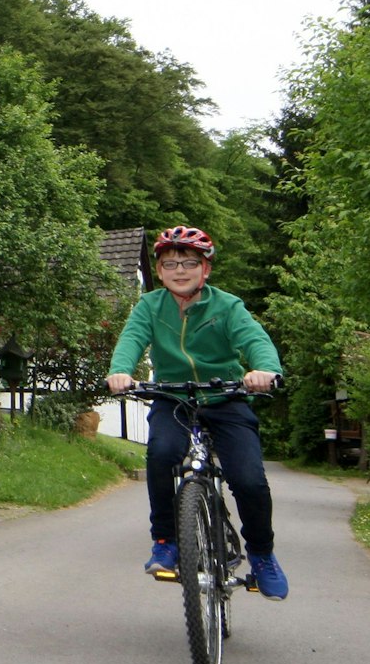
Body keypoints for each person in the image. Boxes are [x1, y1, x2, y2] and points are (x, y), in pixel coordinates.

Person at [105, 226, 289, 601]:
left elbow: (254, 339)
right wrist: (120, 371)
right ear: (158, 270)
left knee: (249, 480)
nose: (180, 270)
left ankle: (262, 554)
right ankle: (165, 541)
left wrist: (264, 371)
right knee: (160, 454)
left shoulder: (227, 306)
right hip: (173, 397)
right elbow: (131, 340)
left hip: (226, 397)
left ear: (206, 269)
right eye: (170, 263)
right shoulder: (150, 306)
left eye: (190, 262)